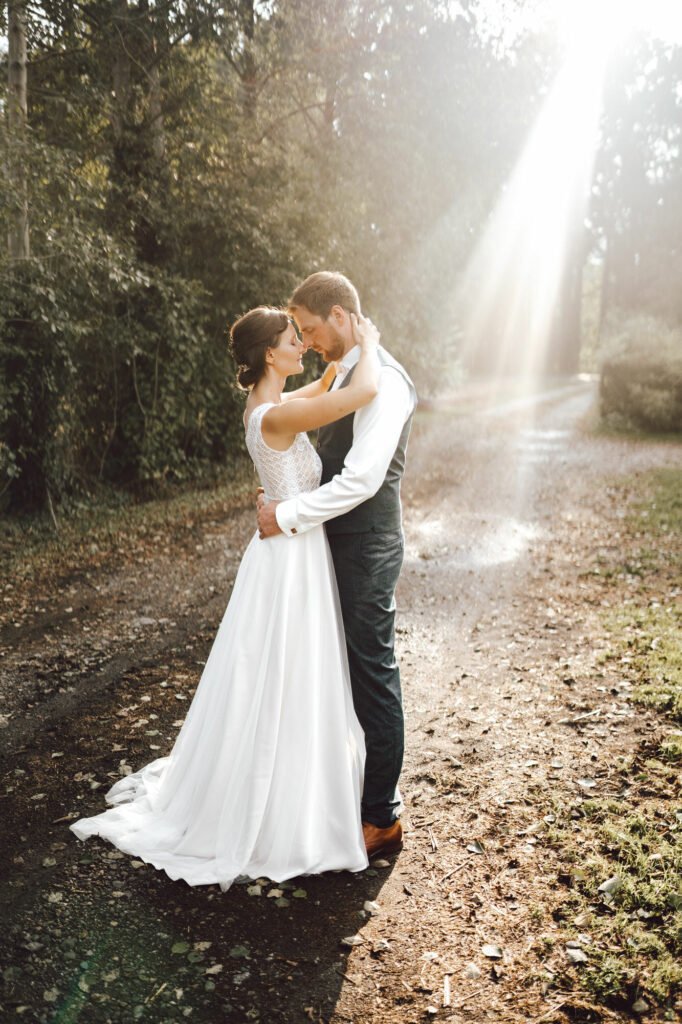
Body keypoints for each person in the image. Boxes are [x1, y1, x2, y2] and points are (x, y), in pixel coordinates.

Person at [69, 305, 383, 890]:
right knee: (280, 678)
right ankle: (274, 807)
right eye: (295, 339)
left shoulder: (275, 408)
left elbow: (326, 384)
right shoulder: (277, 418)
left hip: (291, 551)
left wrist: (339, 358)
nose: (303, 346)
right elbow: (358, 392)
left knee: (287, 676)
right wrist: (369, 339)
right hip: (288, 561)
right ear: (271, 353)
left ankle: (293, 786)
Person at [257, 272, 417, 860]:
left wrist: (289, 513)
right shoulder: (346, 373)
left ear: (341, 317)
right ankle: (343, 791)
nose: (308, 338)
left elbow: (363, 479)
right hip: (335, 540)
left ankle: (381, 815)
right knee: (338, 669)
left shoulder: (387, 382)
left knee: (372, 670)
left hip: (368, 545)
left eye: (310, 327)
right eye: (296, 331)